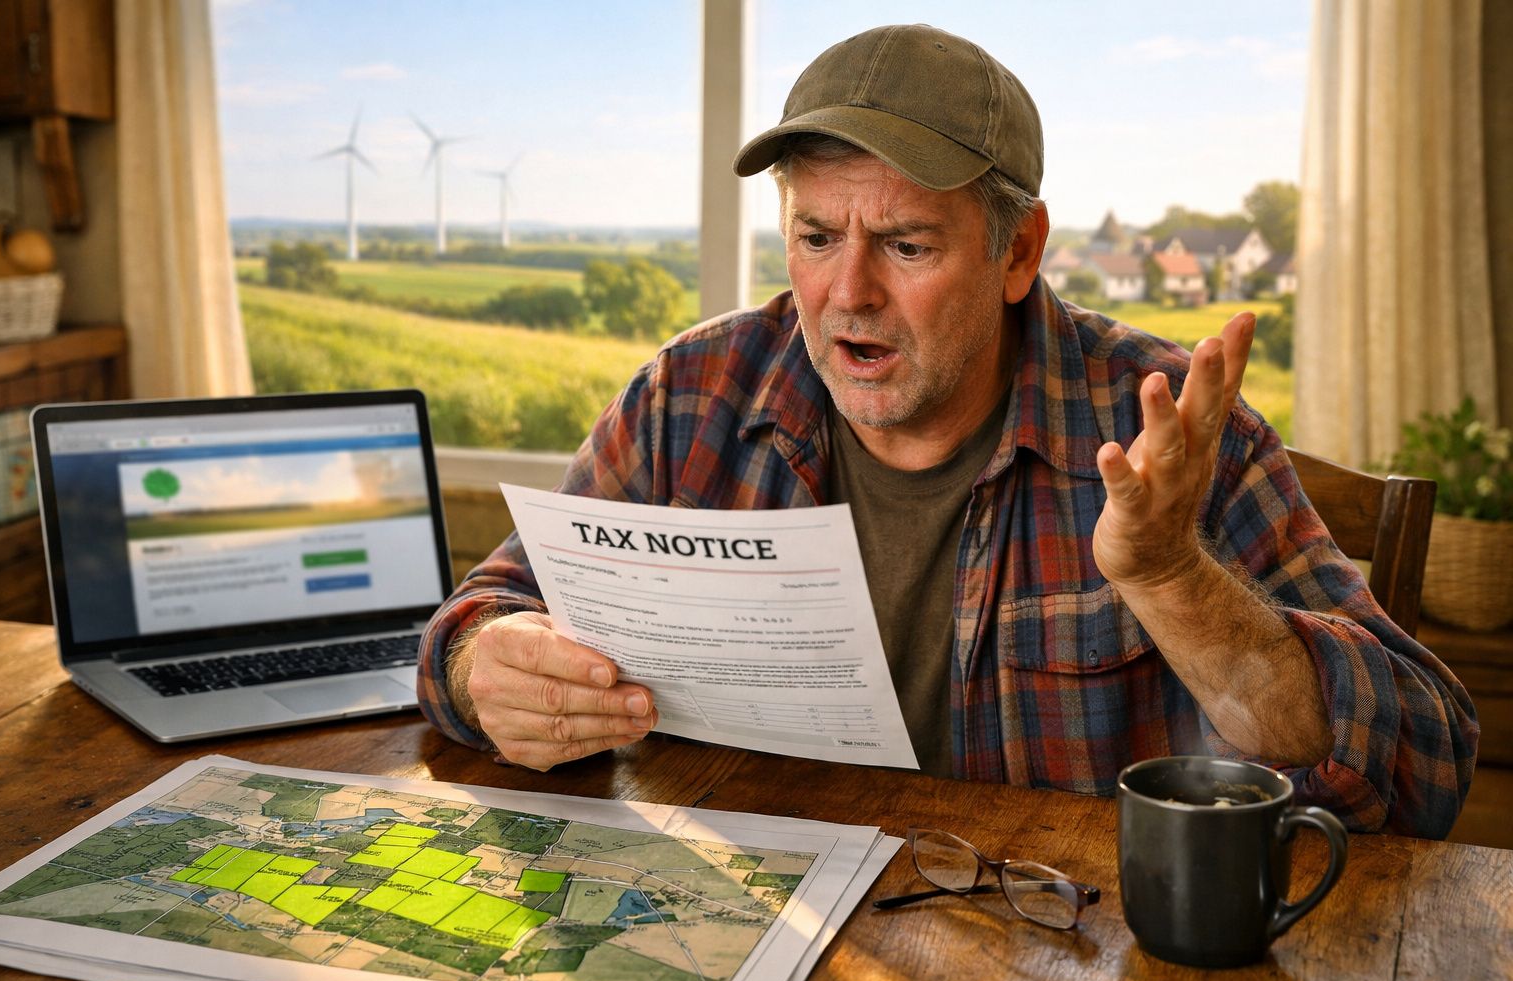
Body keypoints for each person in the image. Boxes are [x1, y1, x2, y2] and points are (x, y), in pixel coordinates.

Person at [416, 24, 1478, 837]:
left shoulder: (1163, 432)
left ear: (1019, 255)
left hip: (1056, 963)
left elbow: (1427, 763)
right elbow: (481, 617)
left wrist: (1171, 578)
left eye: (907, 245)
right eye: (816, 237)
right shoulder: (691, 396)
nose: (847, 295)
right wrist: (487, 666)